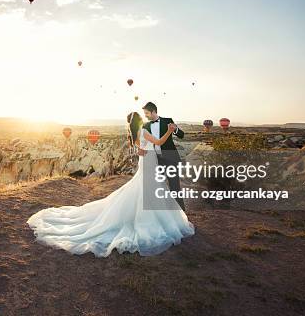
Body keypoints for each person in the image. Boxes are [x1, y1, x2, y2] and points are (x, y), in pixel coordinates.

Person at [26, 111, 194, 257]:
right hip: (149, 161)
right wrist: (169, 132)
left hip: (145, 162)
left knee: (144, 188)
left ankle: (145, 215)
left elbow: (141, 148)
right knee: (149, 188)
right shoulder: (143, 130)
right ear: (139, 122)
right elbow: (158, 143)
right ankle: (150, 219)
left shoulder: (133, 135)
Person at [140, 101, 186, 210]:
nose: (145, 116)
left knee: (174, 186)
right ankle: (163, 213)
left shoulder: (167, 121)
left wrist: (175, 129)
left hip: (171, 158)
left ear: (153, 111)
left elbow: (182, 135)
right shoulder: (145, 125)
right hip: (156, 160)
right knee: (158, 186)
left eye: (146, 113)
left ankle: (181, 213)